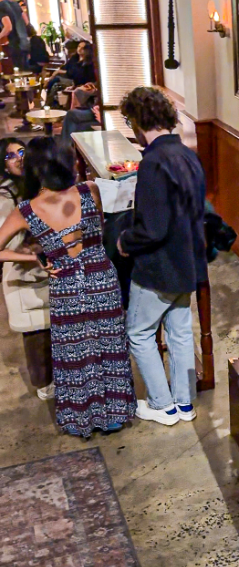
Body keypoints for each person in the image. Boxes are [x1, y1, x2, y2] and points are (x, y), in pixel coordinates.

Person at [0, 137, 136, 437]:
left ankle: (83, 419)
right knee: (109, 347)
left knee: (77, 353)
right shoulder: (91, 191)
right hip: (101, 278)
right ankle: (113, 415)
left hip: (66, 286)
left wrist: (33, 257)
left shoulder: (25, 211)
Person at [117, 87, 208, 426]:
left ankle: (162, 405)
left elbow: (152, 229)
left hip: (159, 268)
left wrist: (126, 240)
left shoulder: (153, 162)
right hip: (187, 262)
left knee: (139, 334)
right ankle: (185, 405)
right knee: (180, 333)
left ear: (139, 121)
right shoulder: (188, 156)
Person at [0, 138, 53, 400]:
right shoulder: (5, 197)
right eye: (10, 156)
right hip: (22, 275)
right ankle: (45, 384)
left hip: (44, 271)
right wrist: (29, 256)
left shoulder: (35, 187)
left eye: (21, 151)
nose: (19, 158)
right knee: (36, 334)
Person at [0, 0, 30, 69]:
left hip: (14, 45)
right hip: (24, 43)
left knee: (16, 71)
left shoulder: (1, 7)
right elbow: (26, 21)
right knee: (24, 70)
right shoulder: (14, 3)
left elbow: (8, 27)